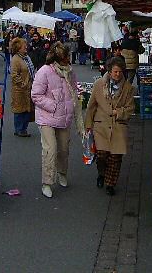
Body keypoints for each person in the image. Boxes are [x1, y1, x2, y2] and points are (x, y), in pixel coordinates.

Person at [31, 42, 78, 199]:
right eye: (67, 57)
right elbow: (36, 95)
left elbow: (74, 91)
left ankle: (62, 173)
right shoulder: (44, 71)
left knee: (64, 149)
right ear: (60, 58)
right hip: (47, 117)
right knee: (50, 149)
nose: (69, 60)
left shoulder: (70, 72)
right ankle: (47, 182)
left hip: (64, 117)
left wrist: (73, 105)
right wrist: (53, 105)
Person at [85, 56, 134, 195]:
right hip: (101, 125)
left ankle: (110, 184)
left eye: (120, 72)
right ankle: (101, 174)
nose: (117, 74)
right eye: (115, 71)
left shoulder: (128, 88)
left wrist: (118, 112)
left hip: (118, 126)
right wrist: (88, 125)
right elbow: (91, 106)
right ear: (110, 71)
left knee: (116, 157)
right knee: (102, 155)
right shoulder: (99, 84)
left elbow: (130, 108)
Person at [9, 37, 35, 137]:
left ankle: (23, 128)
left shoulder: (26, 57)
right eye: (24, 46)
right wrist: (23, 84)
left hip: (28, 87)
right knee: (19, 109)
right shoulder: (16, 59)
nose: (26, 47)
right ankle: (19, 129)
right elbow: (14, 75)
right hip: (19, 89)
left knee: (27, 109)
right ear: (19, 48)